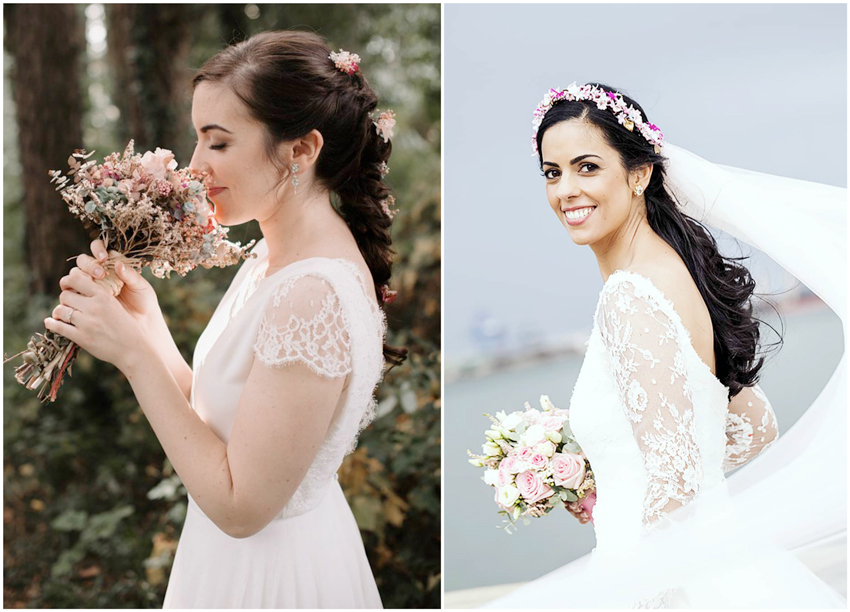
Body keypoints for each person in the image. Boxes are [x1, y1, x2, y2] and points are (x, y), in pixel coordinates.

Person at [43, 30, 405, 608]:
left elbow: (241, 508)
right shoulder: (273, 253)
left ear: (300, 150)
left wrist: (134, 360)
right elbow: (223, 423)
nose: (194, 167)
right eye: (197, 141)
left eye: (218, 143)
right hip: (225, 562)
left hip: (274, 577)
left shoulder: (313, 293)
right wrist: (147, 325)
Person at [483, 82, 845, 608]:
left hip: (663, 578)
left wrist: (653, 594)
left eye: (587, 167)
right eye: (551, 172)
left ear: (639, 173)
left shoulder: (631, 296)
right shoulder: (676, 275)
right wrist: (613, 468)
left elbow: (674, 484)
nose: (565, 190)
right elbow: (755, 426)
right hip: (720, 560)